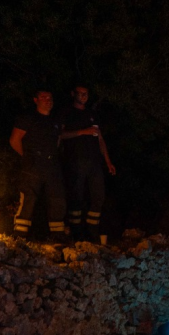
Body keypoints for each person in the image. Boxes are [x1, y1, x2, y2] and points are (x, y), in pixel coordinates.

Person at [59, 85, 114, 242]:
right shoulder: (67, 112)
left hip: (94, 162)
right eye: (80, 94)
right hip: (75, 161)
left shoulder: (91, 114)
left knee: (98, 196)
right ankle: (76, 232)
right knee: (76, 196)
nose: (83, 96)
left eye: (86, 94)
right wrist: (82, 132)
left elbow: (100, 138)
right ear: (73, 94)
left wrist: (108, 161)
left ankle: (92, 231)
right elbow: (60, 135)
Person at [10, 90, 66, 242]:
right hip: (33, 164)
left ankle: (57, 236)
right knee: (28, 197)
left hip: (52, 164)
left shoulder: (55, 121)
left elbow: (58, 140)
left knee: (57, 198)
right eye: (43, 97)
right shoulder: (28, 118)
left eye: (50, 97)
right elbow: (14, 140)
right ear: (35, 100)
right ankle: (20, 235)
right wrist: (28, 157)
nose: (48, 100)